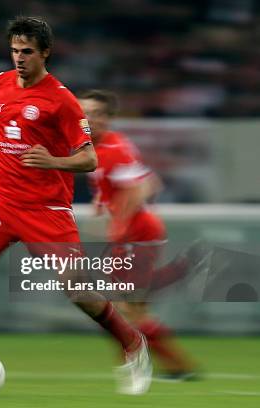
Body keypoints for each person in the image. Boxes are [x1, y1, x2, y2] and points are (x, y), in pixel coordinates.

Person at [0, 17, 152, 394]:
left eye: (27, 52)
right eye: (15, 51)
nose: (19, 58)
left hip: (46, 209)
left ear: (45, 53)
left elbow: (88, 159)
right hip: (1, 201)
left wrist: (52, 161)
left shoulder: (63, 101)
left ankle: (132, 344)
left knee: (76, 290)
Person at [79, 89, 200, 380]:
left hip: (136, 235)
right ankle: (171, 366)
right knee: (131, 306)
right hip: (140, 233)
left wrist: (119, 224)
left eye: (96, 114)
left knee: (124, 309)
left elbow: (142, 187)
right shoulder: (100, 146)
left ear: (108, 119)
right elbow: (144, 182)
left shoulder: (112, 149)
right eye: (84, 113)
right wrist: (104, 204)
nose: (89, 119)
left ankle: (160, 365)